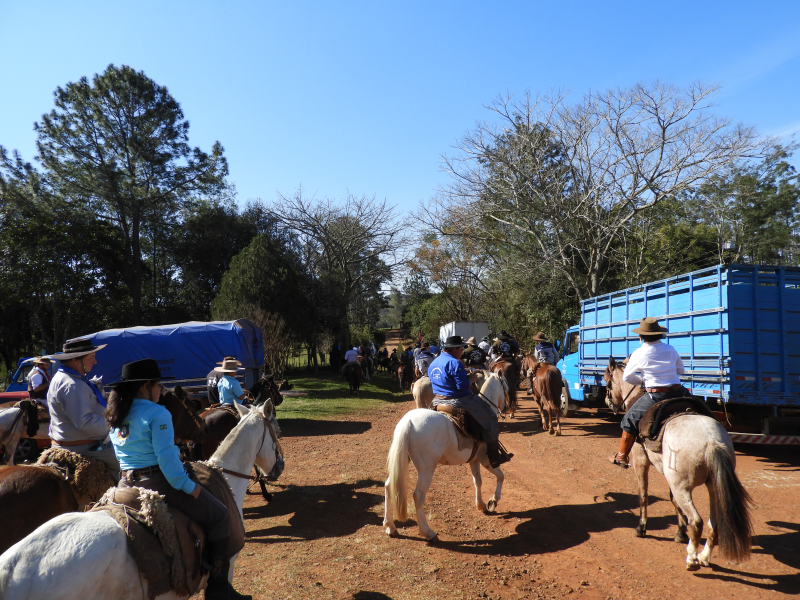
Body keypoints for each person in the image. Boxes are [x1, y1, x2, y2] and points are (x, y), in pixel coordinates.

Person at [106, 359, 251, 600]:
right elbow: (168, 464)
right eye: (157, 385)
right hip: (158, 482)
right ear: (146, 386)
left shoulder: (117, 413)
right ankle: (218, 590)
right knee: (220, 515)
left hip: (124, 484)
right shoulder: (158, 413)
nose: (160, 390)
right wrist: (188, 487)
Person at [609, 318, 686, 468]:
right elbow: (681, 370)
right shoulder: (671, 349)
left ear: (641, 336)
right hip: (679, 392)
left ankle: (622, 456)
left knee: (628, 420)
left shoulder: (639, 352)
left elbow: (627, 377)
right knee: (701, 409)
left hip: (656, 395)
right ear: (659, 335)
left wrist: (642, 382)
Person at [428, 336, 513, 468]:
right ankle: (493, 456)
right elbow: (462, 386)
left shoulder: (434, 362)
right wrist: (471, 379)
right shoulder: (455, 363)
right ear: (454, 348)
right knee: (490, 417)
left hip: (437, 400)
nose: (462, 350)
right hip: (459, 400)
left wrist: (466, 372)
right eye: (461, 347)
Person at [46, 338, 119, 479]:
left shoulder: (67, 378)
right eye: (91, 358)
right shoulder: (73, 384)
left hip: (75, 443)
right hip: (83, 448)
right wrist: (114, 427)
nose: (95, 361)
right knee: (131, 467)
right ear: (75, 359)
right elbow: (85, 421)